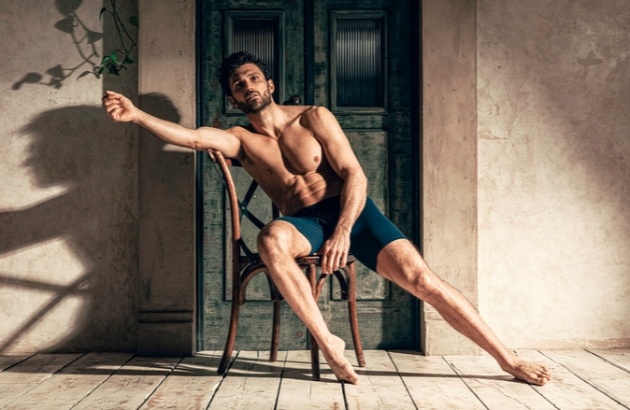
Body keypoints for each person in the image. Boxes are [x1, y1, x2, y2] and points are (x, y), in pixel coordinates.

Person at [103, 51, 552, 386]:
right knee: (271, 242)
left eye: (254, 78)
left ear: (270, 84)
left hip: (351, 214)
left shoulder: (314, 117)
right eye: (238, 84)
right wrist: (137, 115)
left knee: (422, 279)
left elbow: (355, 173)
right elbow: (193, 137)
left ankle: (507, 360)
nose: (248, 86)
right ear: (233, 97)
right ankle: (328, 342)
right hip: (304, 223)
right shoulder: (238, 139)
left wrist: (342, 231)